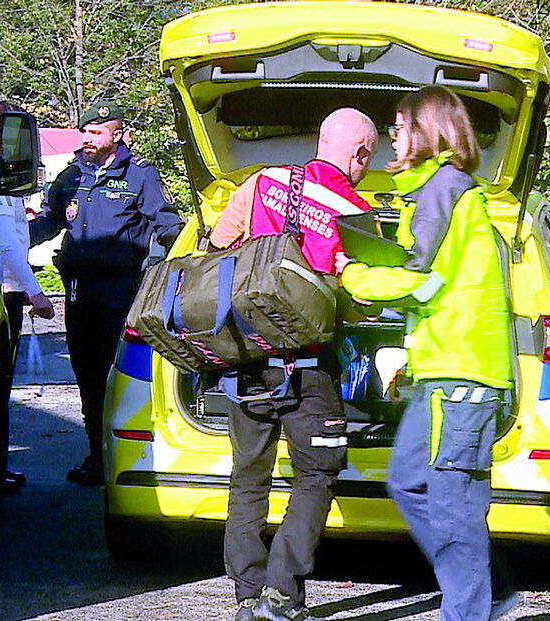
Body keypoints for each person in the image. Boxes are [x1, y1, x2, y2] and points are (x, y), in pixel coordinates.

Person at [338, 85, 516, 621]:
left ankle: (469, 609)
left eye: (399, 123)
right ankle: (490, 588)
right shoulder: (436, 190)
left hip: (463, 374)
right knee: (409, 481)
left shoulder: (444, 189)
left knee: (450, 503)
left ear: (428, 129)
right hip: (445, 368)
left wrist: (350, 272)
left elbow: (422, 281)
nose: (392, 133)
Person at [210, 108, 378, 621]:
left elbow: (218, 246)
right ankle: (282, 596)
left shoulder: (261, 183)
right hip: (308, 367)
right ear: (361, 153)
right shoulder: (354, 209)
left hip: (246, 356)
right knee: (317, 474)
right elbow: (362, 298)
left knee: (249, 476)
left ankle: (246, 594)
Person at [29, 100, 183, 486]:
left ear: (119, 134)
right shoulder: (72, 175)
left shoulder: (140, 176)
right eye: (85, 132)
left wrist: (184, 249)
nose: (87, 138)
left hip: (119, 293)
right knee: (87, 375)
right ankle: (97, 455)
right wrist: (10, 241)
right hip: (79, 294)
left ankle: (128, 456)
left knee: (121, 376)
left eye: (96, 133)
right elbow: (49, 220)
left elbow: (164, 220)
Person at [0, 101, 55, 493]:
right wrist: (36, 292)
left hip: (8, 287)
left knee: (1, 386)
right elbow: (7, 245)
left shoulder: (1, 174)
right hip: (4, 291)